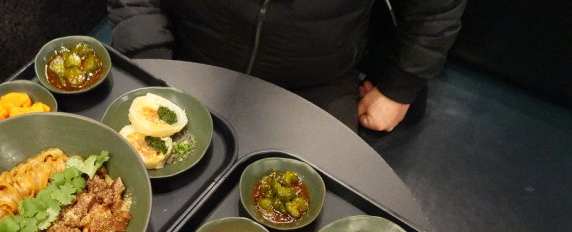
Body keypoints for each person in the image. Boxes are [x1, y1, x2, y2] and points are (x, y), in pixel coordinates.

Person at [107, 0, 466, 132]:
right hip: (187, 59)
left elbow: (435, 8)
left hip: (317, 83)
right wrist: (151, 61)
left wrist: (400, 87)